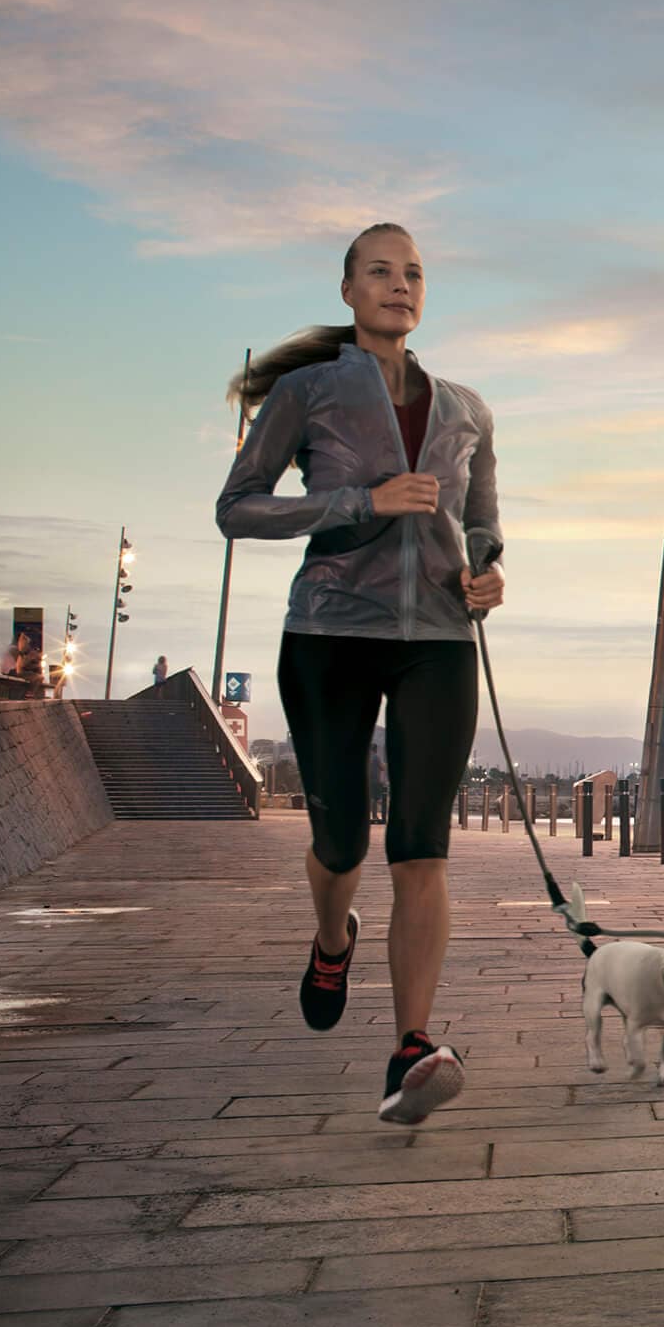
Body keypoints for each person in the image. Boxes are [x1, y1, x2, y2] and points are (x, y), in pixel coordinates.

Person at [217, 222, 504, 1124]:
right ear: (349, 292)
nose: (399, 285)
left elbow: (484, 521)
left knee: (422, 847)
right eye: (379, 271)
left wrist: (486, 572)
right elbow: (237, 509)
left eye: (413, 272)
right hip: (331, 632)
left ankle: (411, 1047)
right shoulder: (308, 392)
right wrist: (358, 503)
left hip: (441, 643)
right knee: (342, 842)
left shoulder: (465, 409)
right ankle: (331, 934)